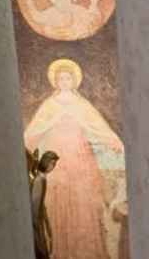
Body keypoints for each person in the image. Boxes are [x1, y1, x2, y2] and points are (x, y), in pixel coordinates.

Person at [25, 59, 123, 258]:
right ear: (55, 81)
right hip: (58, 157)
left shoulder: (81, 104)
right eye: (60, 78)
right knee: (57, 199)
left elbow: (98, 126)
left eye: (67, 78)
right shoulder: (50, 105)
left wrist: (115, 141)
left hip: (80, 156)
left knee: (82, 201)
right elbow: (34, 130)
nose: (64, 81)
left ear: (74, 81)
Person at [30, 149, 60, 259]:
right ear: (45, 162)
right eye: (52, 163)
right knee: (41, 252)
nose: (53, 166)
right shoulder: (39, 180)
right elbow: (35, 204)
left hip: (39, 221)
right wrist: (37, 225)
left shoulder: (42, 178)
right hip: (36, 222)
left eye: (54, 164)